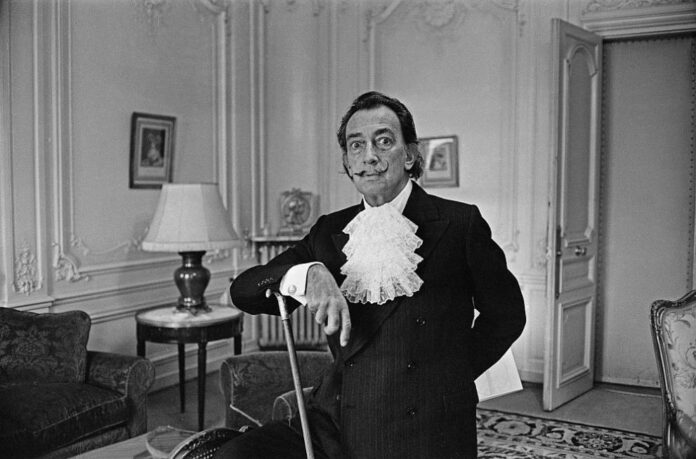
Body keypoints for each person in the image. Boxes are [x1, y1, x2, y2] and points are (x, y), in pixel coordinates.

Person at [216, 91, 525, 459]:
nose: (369, 156)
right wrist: (307, 273)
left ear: (410, 155)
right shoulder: (328, 231)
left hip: (425, 423)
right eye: (356, 145)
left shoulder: (460, 223)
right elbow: (244, 290)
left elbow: (507, 315)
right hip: (337, 417)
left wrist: (449, 377)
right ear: (347, 162)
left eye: (384, 141)